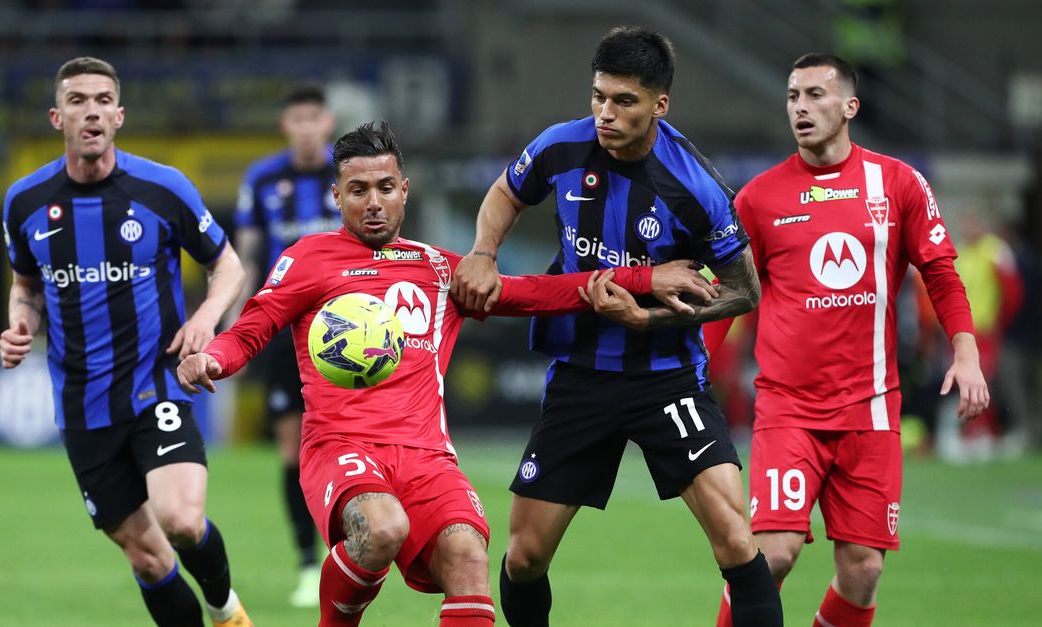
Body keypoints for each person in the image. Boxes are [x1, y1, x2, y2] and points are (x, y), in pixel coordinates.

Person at [177, 121, 717, 627]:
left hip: (426, 456)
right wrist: (212, 359)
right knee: (383, 528)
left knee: (468, 556)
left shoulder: (438, 268)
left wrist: (646, 277)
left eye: (385, 187)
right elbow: (254, 326)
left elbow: (537, 292)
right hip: (342, 447)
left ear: (405, 190)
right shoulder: (309, 259)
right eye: (358, 190)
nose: (373, 203)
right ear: (336, 197)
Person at [452, 26, 783, 627]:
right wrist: (482, 251)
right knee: (524, 557)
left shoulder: (696, 188)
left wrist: (647, 317)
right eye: (598, 96)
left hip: (668, 380)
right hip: (581, 376)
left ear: (660, 105)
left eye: (623, 101)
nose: (605, 113)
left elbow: (742, 291)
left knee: (737, 540)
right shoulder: (560, 146)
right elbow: (505, 191)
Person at [710, 53, 989, 627]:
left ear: (850, 107)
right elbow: (725, 297)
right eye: (792, 97)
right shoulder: (758, 199)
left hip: (872, 409)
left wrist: (966, 352)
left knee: (863, 570)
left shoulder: (898, 183)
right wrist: (691, 371)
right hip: (788, 408)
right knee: (773, 555)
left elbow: (940, 271)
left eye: (815, 95)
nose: (801, 108)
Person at [0, 57, 252, 627]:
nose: (91, 111)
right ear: (56, 116)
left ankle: (224, 608)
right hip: (83, 404)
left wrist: (208, 316)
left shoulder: (163, 188)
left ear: (120, 115)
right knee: (147, 557)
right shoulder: (24, 201)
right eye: (78, 100)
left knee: (182, 521)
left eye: (102, 100)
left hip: (154, 382)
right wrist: (21, 326)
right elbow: (26, 286)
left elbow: (228, 265)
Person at [233, 84, 338, 607]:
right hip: (282, 332)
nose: (305, 126)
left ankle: (351, 554)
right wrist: (236, 326)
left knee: (352, 445)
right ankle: (305, 562)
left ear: (327, 121)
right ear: (285, 124)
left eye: (313, 117)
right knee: (292, 452)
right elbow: (248, 258)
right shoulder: (262, 179)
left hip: (347, 329)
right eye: (296, 117)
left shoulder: (349, 173)